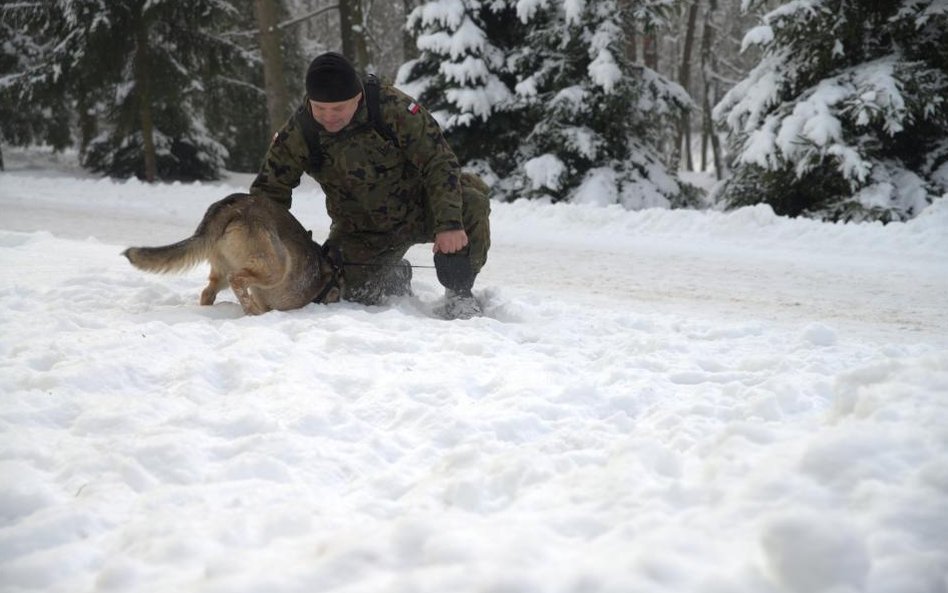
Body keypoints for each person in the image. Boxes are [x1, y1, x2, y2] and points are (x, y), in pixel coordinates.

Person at [250, 51, 491, 319]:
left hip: (421, 211)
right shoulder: (300, 131)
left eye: (338, 108)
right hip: (361, 231)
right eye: (320, 108)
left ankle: (459, 294)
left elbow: (439, 162)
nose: (329, 117)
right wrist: (264, 248)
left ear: (358, 96)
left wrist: (448, 224)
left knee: (471, 203)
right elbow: (268, 193)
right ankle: (395, 274)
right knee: (342, 294)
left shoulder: (393, 109)